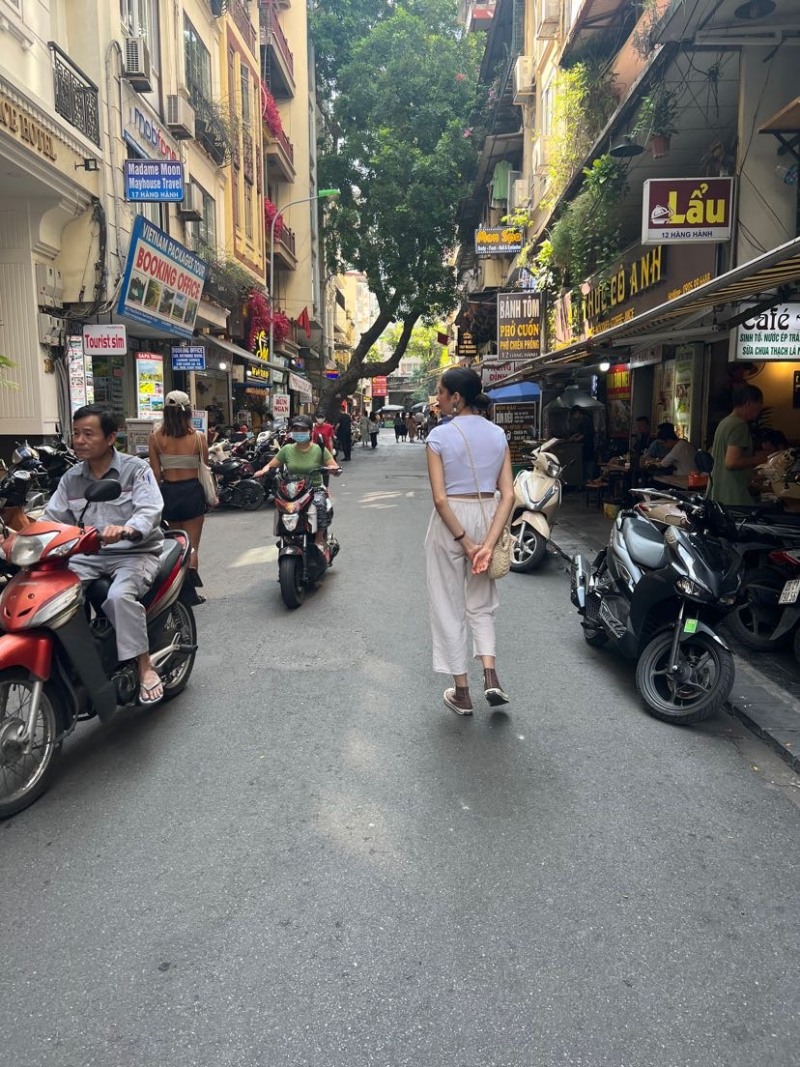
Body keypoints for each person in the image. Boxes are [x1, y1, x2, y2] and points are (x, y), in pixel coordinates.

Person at [44, 404, 166, 705]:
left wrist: (127, 529)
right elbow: (51, 519)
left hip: (134, 553)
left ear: (111, 438)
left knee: (119, 597)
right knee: (51, 597)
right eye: (76, 434)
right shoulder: (71, 478)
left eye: (88, 434)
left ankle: (144, 666)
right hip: (87, 556)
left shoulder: (136, 470)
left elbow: (150, 509)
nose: (79, 440)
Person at [425, 368, 515, 715]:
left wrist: (466, 543)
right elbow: (508, 495)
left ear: (456, 397)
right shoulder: (498, 434)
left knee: (447, 604)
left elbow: (440, 499)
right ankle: (490, 674)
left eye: (441, 392)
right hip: (487, 513)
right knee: (482, 600)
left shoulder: (438, 437)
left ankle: (462, 692)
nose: (438, 398)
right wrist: (487, 545)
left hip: (452, 521)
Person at [148, 391, 209, 601]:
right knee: (192, 546)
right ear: (189, 412)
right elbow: (205, 468)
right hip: (192, 492)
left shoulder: (155, 438)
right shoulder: (199, 438)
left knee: (177, 544)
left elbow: (156, 474)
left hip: (169, 493)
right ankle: (190, 594)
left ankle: (177, 591)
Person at [254, 414, 341, 560]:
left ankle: (319, 538)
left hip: (314, 487)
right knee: (281, 505)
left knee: (320, 504)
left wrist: (333, 469)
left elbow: (334, 466)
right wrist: (263, 470)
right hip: (292, 488)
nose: (299, 433)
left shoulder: (319, 450)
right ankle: (286, 536)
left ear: (310, 431)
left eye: (303, 430)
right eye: (296, 429)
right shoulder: (287, 449)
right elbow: (272, 464)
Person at [707, 384, 770, 506]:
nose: (759, 411)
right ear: (749, 403)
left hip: (719, 492)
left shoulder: (725, 423)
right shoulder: (739, 425)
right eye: (759, 405)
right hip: (734, 495)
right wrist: (758, 459)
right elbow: (732, 462)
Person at [568, 404, 596, 482]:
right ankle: (585, 480)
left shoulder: (586, 419)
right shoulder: (582, 420)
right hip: (584, 446)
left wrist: (576, 440)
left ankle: (589, 480)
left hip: (588, 445)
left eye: (574, 415)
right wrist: (574, 436)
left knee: (588, 463)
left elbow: (585, 434)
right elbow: (580, 432)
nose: (574, 417)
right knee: (585, 463)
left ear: (577, 412)